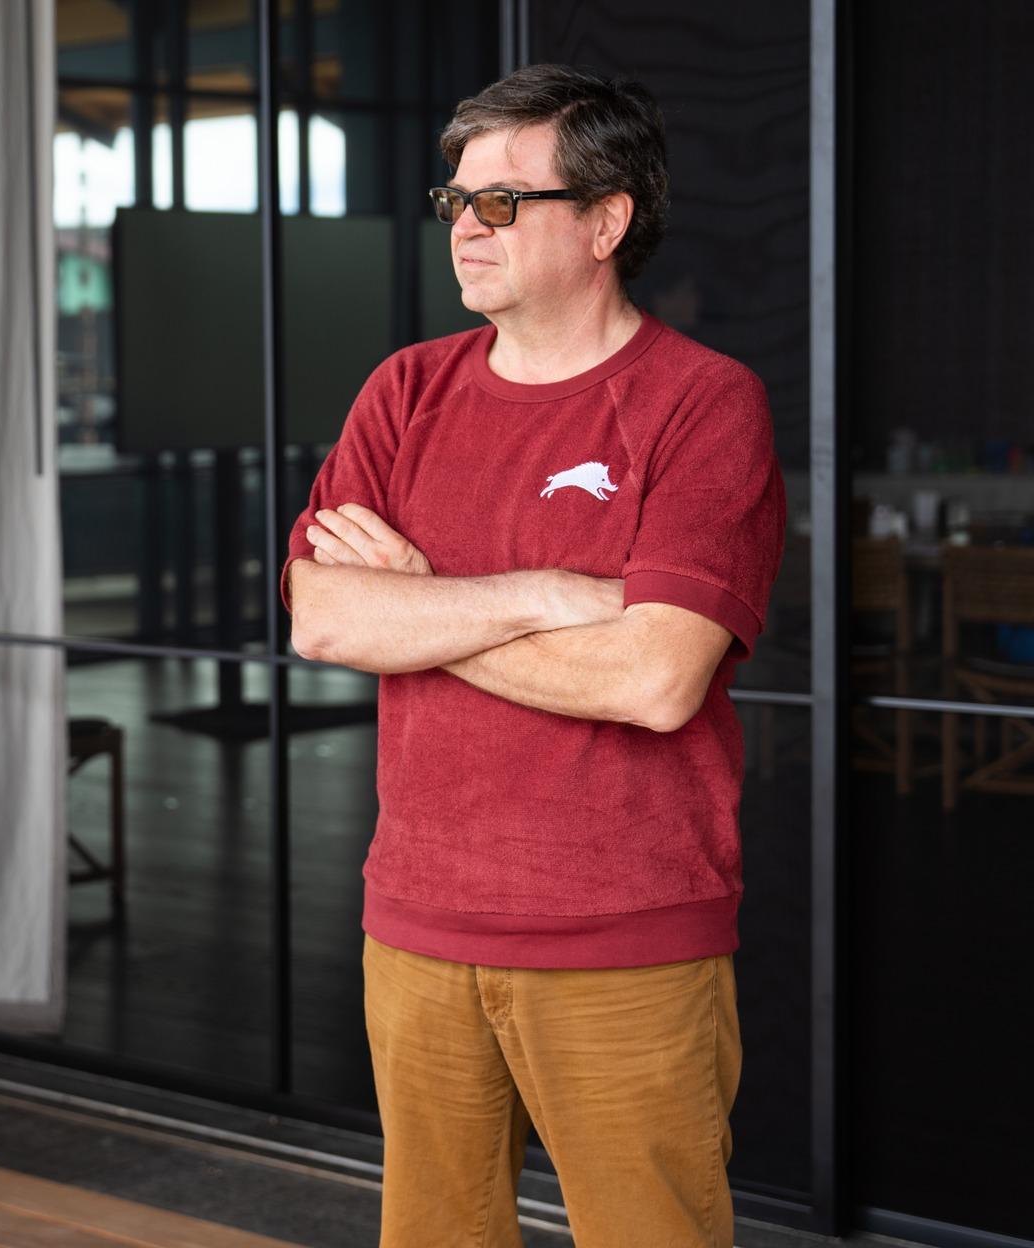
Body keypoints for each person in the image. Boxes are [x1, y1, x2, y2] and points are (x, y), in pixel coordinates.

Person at [285, 65, 785, 1247]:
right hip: (415, 926)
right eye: (454, 200)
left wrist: (417, 610)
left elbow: (651, 681)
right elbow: (322, 620)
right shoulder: (403, 391)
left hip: (623, 937)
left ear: (605, 221)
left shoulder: (701, 404)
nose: (466, 226)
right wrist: (545, 597)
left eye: (502, 202)